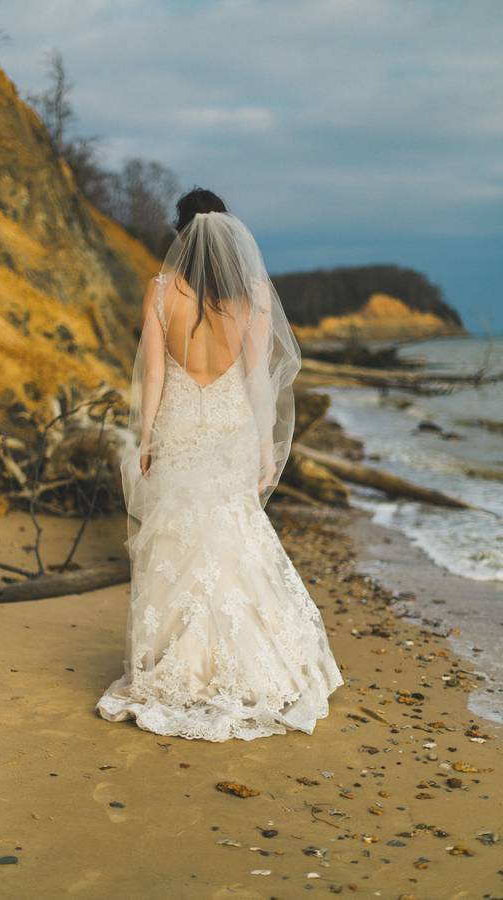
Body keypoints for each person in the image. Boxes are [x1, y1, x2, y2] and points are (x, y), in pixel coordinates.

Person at [95, 187, 344, 741]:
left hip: (180, 427)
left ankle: (182, 667)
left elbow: (154, 376)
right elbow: (259, 378)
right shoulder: (251, 295)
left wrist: (145, 439)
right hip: (232, 428)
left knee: (180, 543)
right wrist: (262, 446)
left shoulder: (161, 291)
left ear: (182, 235)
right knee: (235, 539)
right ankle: (247, 662)